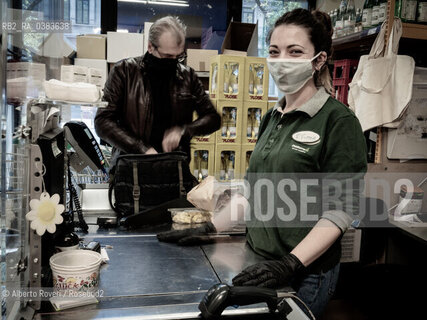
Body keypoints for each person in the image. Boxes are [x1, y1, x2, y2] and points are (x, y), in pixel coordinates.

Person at [230, 8, 367, 318]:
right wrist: (207, 226)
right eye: (275, 52)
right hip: (259, 263)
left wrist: (290, 263)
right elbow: (252, 191)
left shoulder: (338, 121)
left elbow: (342, 208)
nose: (282, 61)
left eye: (295, 52)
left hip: (306, 275)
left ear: (318, 60)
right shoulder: (271, 117)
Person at [95, 16, 221, 168]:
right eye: (168, 56)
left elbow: (213, 117)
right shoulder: (124, 72)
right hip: (132, 168)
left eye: (179, 56)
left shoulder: (188, 77)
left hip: (174, 169)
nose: (173, 62)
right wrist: (142, 149)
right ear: (150, 47)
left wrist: (183, 131)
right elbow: (103, 121)